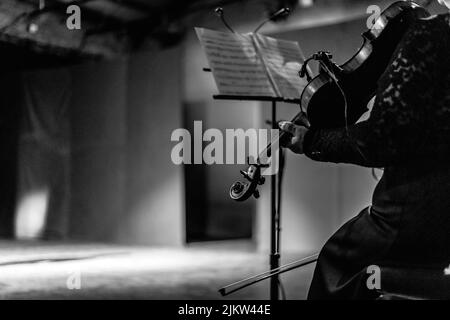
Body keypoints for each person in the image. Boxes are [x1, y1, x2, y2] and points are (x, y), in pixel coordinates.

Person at [279, 0, 450, 299]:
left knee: (337, 257)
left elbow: (382, 139)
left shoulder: (432, 34)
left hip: (421, 217)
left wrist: (311, 141)